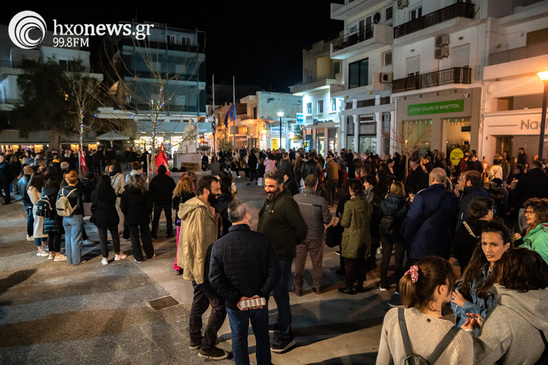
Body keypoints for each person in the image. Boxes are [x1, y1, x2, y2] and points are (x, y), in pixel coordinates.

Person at [209, 199, 280, 365]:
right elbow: (275, 271)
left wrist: (236, 298)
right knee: (262, 337)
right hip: (259, 301)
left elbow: (215, 279)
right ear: (246, 215)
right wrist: (261, 293)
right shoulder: (263, 240)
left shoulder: (219, 245)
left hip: (236, 304)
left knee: (239, 339)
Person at [377, 256, 473, 364]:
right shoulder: (461, 339)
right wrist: (466, 334)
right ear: (441, 289)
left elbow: (382, 362)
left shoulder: (393, 317)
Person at [462, 248, 548, 364]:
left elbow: (475, 359)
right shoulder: (543, 302)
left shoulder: (502, 317)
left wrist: (468, 333)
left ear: (506, 273)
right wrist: (487, 325)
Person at [257, 169, 308, 353]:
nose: (267, 189)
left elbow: (301, 229)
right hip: (270, 256)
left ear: (280, 185)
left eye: (271, 186)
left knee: (280, 295)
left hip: (281, 258)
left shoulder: (287, 203)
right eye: (266, 186)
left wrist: (289, 244)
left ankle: (287, 335)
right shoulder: (271, 201)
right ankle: (281, 323)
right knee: (275, 294)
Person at [178, 175, 227, 360]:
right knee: (219, 306)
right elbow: (197, 245)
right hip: (203, 268)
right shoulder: (198, 212)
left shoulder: (201, 207)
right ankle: (206, 346)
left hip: (202, 266)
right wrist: (201, 275)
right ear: (206, 191)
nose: (220, 193)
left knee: (199, 301)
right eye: (216, 190)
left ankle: (195, 339)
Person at [451, 221, 512, 330]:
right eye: (484, 244)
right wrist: (471, 316)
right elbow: (455, 297)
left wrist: (466, 305)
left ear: (506, 246)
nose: (488, 250)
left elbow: (501, 320)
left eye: (494, 244)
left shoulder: (510, 275)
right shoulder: (476, 266)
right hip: (465, 330)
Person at [403, 168, 458, 264]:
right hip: (443, 244)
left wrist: (407, 237)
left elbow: (412, 220)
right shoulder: (452, 197)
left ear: (432, 179)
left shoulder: (422, 196)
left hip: (422, 245)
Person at [293, 174, 332, 296]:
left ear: (304, 184)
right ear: (316, 186)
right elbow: (326, 220)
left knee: (299, 262)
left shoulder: (295, 198)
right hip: (315, 236)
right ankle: (317, 286)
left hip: (299, 236)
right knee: (317, 262)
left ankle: (298, 287)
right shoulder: (321, 201)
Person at [339, 179, 371, 295]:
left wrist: (341, 216)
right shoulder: (366, 202)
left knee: (350, 263)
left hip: (352, 236)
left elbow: (345, 223)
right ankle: (360, 285)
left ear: (352, 190)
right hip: (364, 236)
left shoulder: (349, 204)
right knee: (361, 261)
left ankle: (349, 286)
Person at [378, 181, 409, 292]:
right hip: (399, 233)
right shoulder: (405, 204)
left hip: (386, 232)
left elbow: (379, 216)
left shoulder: (384, 202)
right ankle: (398, 286)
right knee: (398, 261)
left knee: (385, 258)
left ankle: (383, 283)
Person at [92, 175, 127, 265]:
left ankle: (104, 257)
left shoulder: (96, 193)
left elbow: (94, 205)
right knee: (115, 235)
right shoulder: (111, 192)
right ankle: (117, 254)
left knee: (102, 237)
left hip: (100, 217)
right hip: (111, 215)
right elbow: (113, 202)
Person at [453, 197, 495, 272]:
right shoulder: (492, 229)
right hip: (486, 270)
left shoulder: (464, 226)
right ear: (488, 212)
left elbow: (457, 250)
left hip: (466, 268)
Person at [120, 175, 154, 263]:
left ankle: (138, 257)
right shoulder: (145, 192)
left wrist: (127, 213)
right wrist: (147, 213)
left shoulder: (125, 193)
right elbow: (149, 205)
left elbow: (123, 207)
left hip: (131, 217)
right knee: (146, 235)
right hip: (143, 215)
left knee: (134, 237)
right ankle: (149, 253)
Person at [58, 170, 85, 265]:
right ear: (76, 180)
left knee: (68, 238)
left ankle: (69, 259)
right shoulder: (77, 192)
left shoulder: (61, 190)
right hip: (75, 217)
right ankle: (77, 260)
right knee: (76, 239)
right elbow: (79, 207)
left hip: (65, 217)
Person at [172, 176, 195, 275]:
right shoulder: (192, 195)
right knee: (189, 244)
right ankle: (188, 265)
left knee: (179, 245)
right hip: (189, 222)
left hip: (179, 222)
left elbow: (174, 207)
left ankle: (178, 265)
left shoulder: (177, 196)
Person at [42, 176, 66, 261]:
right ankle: (57, 254)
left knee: (50, 235)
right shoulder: (58, 192)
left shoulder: (43, 191)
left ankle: (50, 253)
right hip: (56, 215)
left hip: (46, 216)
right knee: (57, 235)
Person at [149, 165, 176, 239]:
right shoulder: (169, 180)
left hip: (157, 201)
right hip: (167, 200)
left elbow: (151, 192)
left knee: (156, 218)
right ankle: (169, 232)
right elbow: (174, 188)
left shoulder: (154, 180)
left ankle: (154, 233)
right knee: (168, 217)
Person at [517, 197, 548, 263]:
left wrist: (521, 244)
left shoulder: (542, 234)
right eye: (526, 212)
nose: (526, 215)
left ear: (540, 213)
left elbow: (541, 261)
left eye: (529, 212)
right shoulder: (537, 231)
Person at [27, 173, 48, 256]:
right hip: (38, 210)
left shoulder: (39, 188)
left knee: (42, 227)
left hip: (43, 209)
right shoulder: (32, 189)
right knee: (38, 228)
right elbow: (35, 201)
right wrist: (44, 199)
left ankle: (43, 243)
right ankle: (39, 248)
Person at [109, 161, 126, 235]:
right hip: (118, 197)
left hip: (111, 197)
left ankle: (113, 227)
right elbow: (123, 187)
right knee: (120, 213)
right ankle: (120, 228)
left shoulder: (109, 176)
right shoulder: (121, 176)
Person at [18, 165, 34, 241]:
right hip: (29, 201)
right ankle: (30, 233)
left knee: (29, 216)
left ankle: (30, 233)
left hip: (25, 201)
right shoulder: (28, 180)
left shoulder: (21, 180)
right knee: (31, 217)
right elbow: (27, 192)